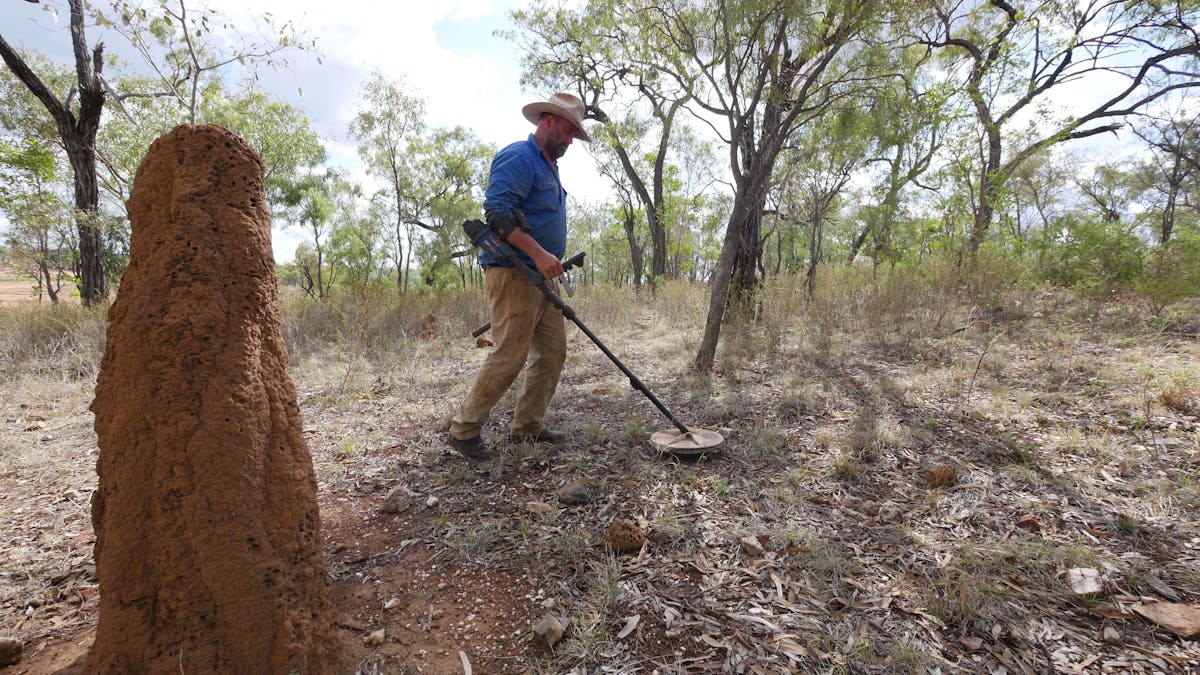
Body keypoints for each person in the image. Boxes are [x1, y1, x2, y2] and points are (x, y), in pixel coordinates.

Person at [448, 92, 591, 460]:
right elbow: (498, 214)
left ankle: (527, 427)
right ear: (547, 121)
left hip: (543, 278)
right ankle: (464, 430)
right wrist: (540, 254)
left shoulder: (549, 166)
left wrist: (548, 261)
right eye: (568, 130)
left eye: (575, 133)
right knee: (510, 353)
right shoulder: (519, 156)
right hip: (514, 273)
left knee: (552, 353)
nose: (570, 139)